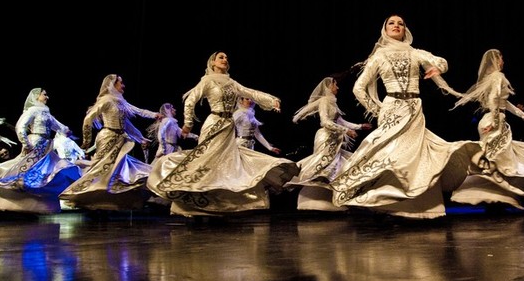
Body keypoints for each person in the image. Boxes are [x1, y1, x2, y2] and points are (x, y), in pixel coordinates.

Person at [326, 14, 477, 219]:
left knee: (414, 154)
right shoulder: (379, 56)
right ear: (385, 29)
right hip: (391, 109)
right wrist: (378, 110)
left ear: (405, 30)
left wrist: (437, 68)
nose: (396, 26)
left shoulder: (415, 53)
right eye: (392, 23)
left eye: (401, 24)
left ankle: (419, 208)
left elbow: (441, 61)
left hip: (414, 107)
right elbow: (358, 88)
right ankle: (386, 203)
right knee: (393, 153)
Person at [146, 51, 300, 218]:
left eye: (226, 58)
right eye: (221, 57)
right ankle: (190, 203)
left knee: (225, 167)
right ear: (212, 63)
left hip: (228, 126)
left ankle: (216, 205)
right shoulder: (207, 80)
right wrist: (188, 124)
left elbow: (250, 92)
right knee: (206, 162)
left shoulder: (231, 82)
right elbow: (190, 101)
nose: (225, 60)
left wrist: (271, 100)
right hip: (214, 123)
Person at [449, 49, 524, 210]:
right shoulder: (498, 77)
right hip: (494, 122)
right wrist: (497, 122)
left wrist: (523, 115)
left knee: (496, 160)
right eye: (501, 58)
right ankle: (495, 198)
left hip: (490, 120)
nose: (503, 60)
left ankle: (496, 199)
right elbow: (494, 100)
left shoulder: (489, 79)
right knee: (497, 161)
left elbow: (504, 102)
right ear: (496, 61)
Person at [59, 74, 162, 211]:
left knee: (116, 171)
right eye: (120, 83)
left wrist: (152, 119)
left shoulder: (120, 102)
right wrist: (86, 141)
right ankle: (85, 197)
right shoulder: (106, 100)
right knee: (101, 169)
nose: (123, 85)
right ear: (112, 85)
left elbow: (133, 117)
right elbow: (88, 119)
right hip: (107, 137)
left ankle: (106, 202)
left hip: (120, 140)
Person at [0, 88, 83, 214]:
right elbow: (20, 126)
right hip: (35, 142)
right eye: (44, 94)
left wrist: (66, 131)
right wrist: (26, 142)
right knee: (27, 171)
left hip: (47, 143)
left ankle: (38, 205)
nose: (47, 97)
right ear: (37, 96)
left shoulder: (46, 112)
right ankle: (19, 203)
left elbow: (56, 124)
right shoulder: (32, 110)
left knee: (44, 173)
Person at [284, 76, 372, 212]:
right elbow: (325, 122)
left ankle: (329, 200)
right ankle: (314, 199)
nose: (337, 88)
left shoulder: (332, 102)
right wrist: (346, 131)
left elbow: (340, 121)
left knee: (337, 167)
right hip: (326, 137)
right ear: (330, 86)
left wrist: (360, 126)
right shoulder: (325, 101)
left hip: (335, 138)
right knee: (324, 166)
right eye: (335, 85)